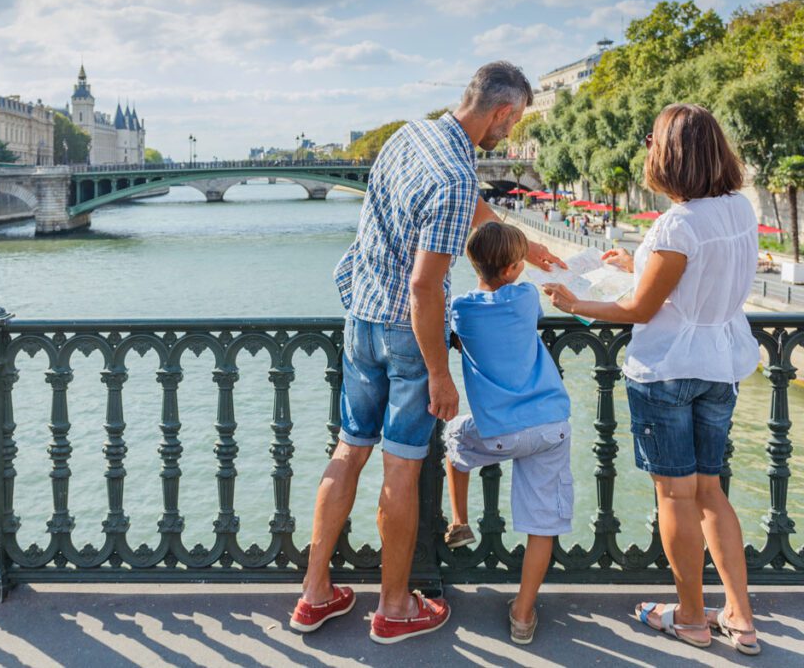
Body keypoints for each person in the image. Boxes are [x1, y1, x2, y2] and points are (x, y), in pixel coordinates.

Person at [290, 61, 564, 644]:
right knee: (401, 466)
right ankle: (395, 607)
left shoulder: (408, 135)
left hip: (359, 316)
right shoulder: (457, 180)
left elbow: (466, 214)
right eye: (512, 123)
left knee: (348, 450)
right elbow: (423, 287)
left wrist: (527, 244)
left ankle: (315, 593)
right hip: (405, 335)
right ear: (501, 113)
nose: (510, 135)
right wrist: (441, 374)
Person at [544, 104, 760, 655]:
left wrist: (577, 303)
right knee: (711, 492)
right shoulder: (737, 210)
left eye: (650, 142)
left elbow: (641, 310)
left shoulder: (677, 224)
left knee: (674, 496)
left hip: (667, 371)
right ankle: (740, 615)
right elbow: (689, 281)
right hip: (720, 365)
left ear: (669, 154)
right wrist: (634, 262)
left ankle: (689, 617)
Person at [443, 222, 572, 646]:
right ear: (516, 267)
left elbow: (455, 329)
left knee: (455, 437)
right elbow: (530, 307)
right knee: (541, 523)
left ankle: (460, 520)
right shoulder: (525, 296)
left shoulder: (461, 308)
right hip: (550, 425)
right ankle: (522, 614)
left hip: (499, 432)